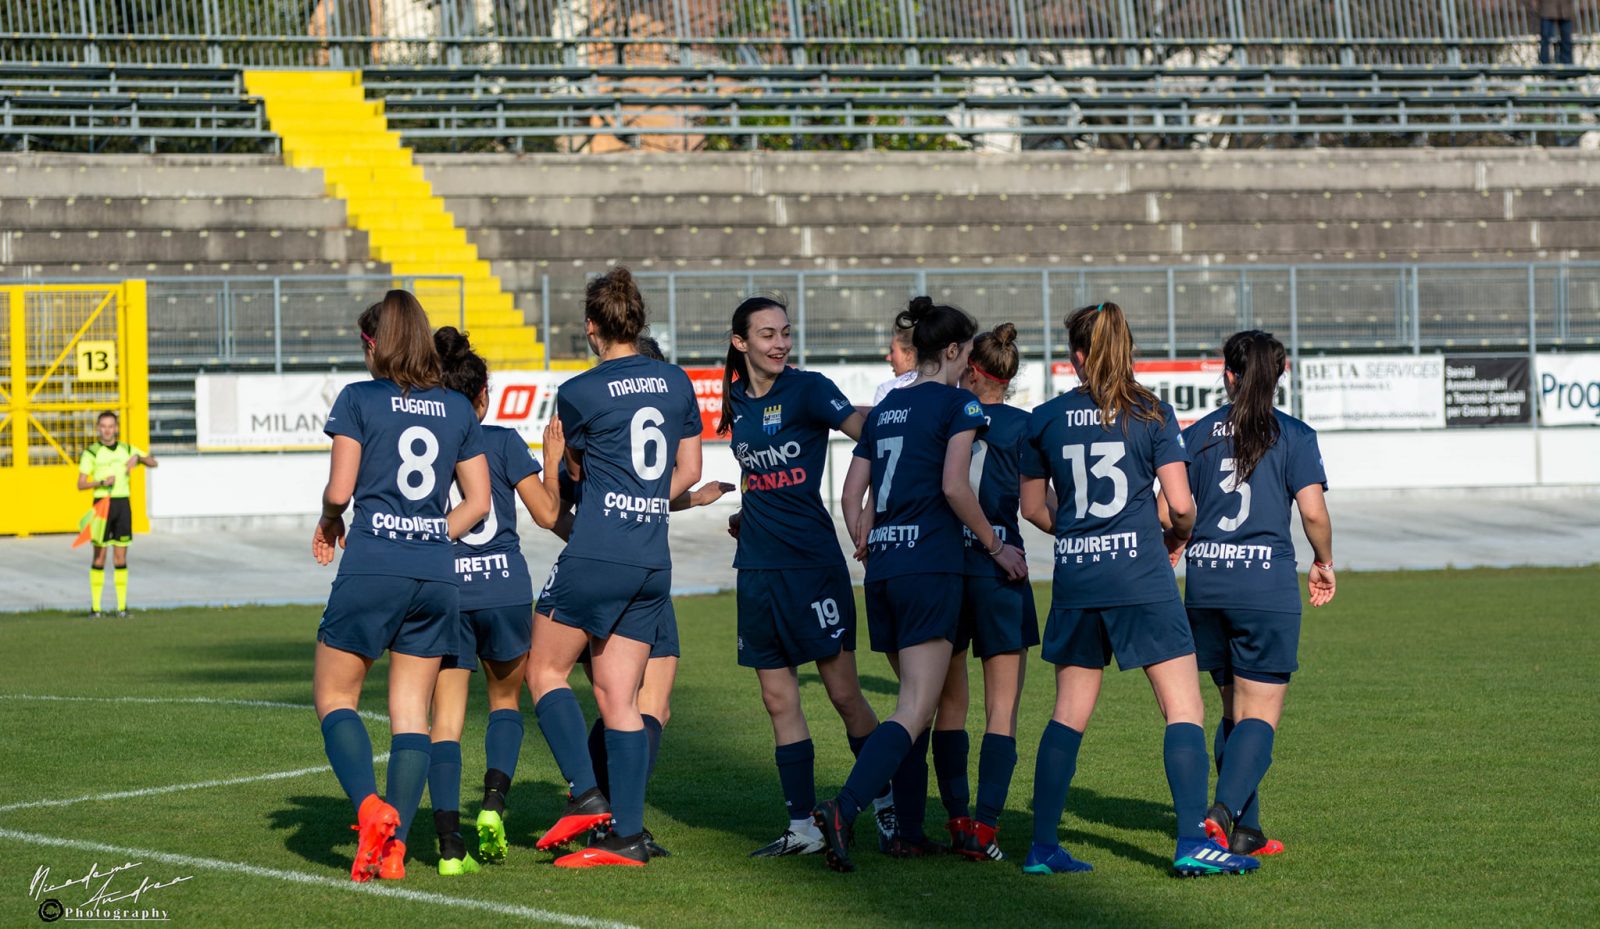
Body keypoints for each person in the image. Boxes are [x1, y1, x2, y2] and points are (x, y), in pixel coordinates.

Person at [1017, 301, 1257, 877]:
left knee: (1067, 714)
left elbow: (1031, 508)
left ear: (1076, 356)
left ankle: (1043, 846)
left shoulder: (1043, 418)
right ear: (1125, 350)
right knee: (1183, 708)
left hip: (1077, 576)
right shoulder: (1152, 414)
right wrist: (1174, 535)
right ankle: (1189, 842)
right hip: (1140, 576)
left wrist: (1075, 531)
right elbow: (1180, 506)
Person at [812, 296, 1027, 873]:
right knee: (914, 709)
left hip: (883, 570)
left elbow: (850, 496)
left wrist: (865, 537)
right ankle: (846, 806)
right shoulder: (958, 403)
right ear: (954, 350)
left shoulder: (884, 410)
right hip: (931, 567)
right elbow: (957, 487)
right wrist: (996, 545)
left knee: (918, 705)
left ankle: (907, 830)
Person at [523, 267, 702, 868]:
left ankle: (585, 791)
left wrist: (562, 465)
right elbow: (690, 470)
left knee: (542, 668)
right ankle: (626, 834)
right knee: (619, 699)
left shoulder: (580, 391)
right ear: (641, 321)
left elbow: (570, 478)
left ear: (593, 328)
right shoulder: (676, 383)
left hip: (598, 551)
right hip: (653, 559)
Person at [311, 290, 491, 882]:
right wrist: (429, 533)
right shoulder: (458, 409)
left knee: (336, 697)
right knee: (410, 712)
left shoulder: (360, 398)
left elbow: (341, 490)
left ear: (376, 343)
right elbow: (479, 501)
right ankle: (396, 849)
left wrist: (331, 518)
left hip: (374, 566)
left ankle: (369, 812)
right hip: (435, 573)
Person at [717, 296, 895, 858]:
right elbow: (760, 474)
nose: (780, 344)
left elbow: (867, 433)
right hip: (757, 569)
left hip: (813, 566)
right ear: (740, 343)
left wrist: (870, 497)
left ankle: (885, 802)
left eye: (785, 333)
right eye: (767, 334)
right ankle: (803, 827)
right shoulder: (736, 399)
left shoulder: (811, 388)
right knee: (777, 699)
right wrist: (750, 512)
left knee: (844, 694)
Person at [550, 333, 732, 860]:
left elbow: (637, 496)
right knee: (627, 702)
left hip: (632, 573)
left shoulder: (593, 422)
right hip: (628, 574)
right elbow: (570, 506)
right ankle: (609, 813)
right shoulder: (604, 434)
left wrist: (691, 500)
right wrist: (688, 497)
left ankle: (613, 814)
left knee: (644, 705)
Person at [1173, 329, 1335, 858]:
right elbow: (1312, 511)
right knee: (1259, 716)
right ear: (1280, 375)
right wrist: (1324, 561)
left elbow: (1169, 510)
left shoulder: (1196, 433)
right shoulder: (1293, 434)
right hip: (1264, 587)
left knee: (1232, 711)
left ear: (1228, 375)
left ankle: (1246, 830)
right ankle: (1220, 814)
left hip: (1206, 585)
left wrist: (1177, 544)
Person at [425, 327, 566, 876]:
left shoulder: (431, 442)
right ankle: (493, 805)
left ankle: (448, 845)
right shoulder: (505, 441)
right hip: (506, 588)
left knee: (446, 720)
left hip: (448, 592)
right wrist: (551, 460)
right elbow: (548, 516)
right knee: (505, 704)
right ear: (483, 396)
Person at [933, 322, 1040, 862]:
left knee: (949, 707)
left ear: (973, 370)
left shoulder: (949, 414)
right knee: (1003, 711)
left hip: (950, 570)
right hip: (1004, 572)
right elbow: (1034, 508)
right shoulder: (1026, 425)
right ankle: (986, 830)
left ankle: (955, 819)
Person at [76, 411, 156, 617]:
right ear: (98, 428)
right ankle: (96, 608)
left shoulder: (126, 449)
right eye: (103, 426)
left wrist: (138, 458)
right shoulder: (91, 453)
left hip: (122, 504)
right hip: (102, 504)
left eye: (111, 426)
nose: (107, 430)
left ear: (116, 428)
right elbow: (81, 484)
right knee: (100, 556)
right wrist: (101, 482)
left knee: (120, 557)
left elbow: (153, 463)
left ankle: (122, 607)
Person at [872, 324, 919, 406]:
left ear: (909, 355)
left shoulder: (886, 390)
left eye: (892, 351)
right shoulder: (939, 385)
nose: (888, 358)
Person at [1534, 0, 1575, 65]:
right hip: (1547, 8)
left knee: (1567, 38)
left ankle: (1567, 66)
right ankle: (1544, 65)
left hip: (1565, 8)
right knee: (1545, 37)